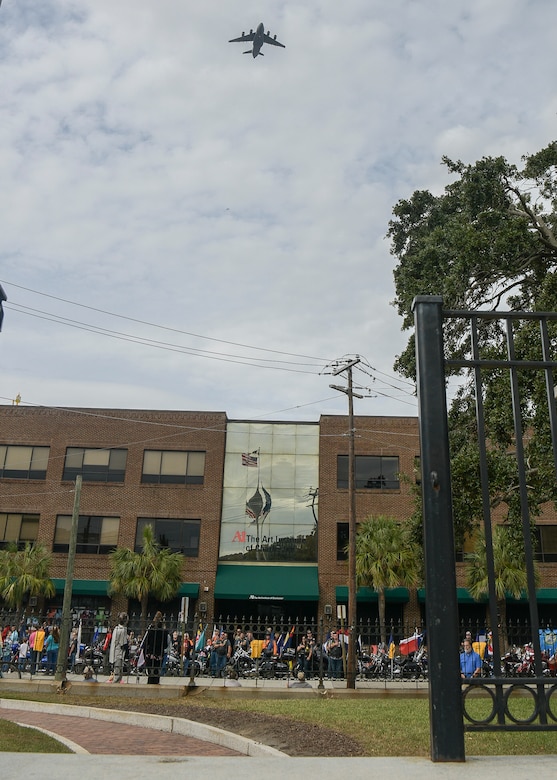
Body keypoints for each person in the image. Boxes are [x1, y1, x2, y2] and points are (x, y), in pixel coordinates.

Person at [143, 611, 166, 684]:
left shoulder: (151, 629)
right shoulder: (163, 631)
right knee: (157, 673)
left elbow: (146, 642)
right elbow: (165, 644)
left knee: (150, 674)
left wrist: (145, 652)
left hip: (150, 653)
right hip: (159, 654)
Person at [109, 612, 129, 684]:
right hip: (119, 654)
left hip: (116, 652)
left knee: (118, 671)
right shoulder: (122, 630)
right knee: (118, 674)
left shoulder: (116, 628)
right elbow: (123, 644)